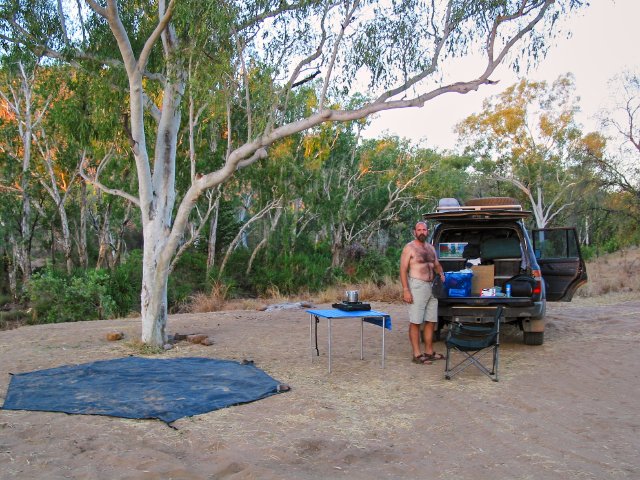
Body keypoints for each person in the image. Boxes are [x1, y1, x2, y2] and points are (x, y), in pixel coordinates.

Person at [400, 221, 446, 364]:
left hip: (432, 287)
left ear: (427, 231)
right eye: (419, 230)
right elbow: (402, 270)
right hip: (417, 286)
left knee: (431, 321)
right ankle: (417, 354)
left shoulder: (431, 248)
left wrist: (441, 273)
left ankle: (429, 351)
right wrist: (406, 290)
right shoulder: (409, 248)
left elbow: (436, 264)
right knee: (416, 321)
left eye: (424, 230)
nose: (421, 232)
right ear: (415, 232)